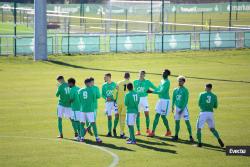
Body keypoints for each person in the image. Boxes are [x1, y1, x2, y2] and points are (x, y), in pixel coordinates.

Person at [196, 83, 224, 148]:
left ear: (207, 87)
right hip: (211, 113)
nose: (204, 88)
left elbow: (199, 103)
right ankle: (219, 139)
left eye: (205, 87)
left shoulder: (202, 94)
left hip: (203, 113)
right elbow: (215, 106)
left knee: (198, 129)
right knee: (212, 129)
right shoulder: (214, 96)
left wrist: (203, 107)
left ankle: (199, 143)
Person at [147, 69, 172, 137]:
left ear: (167, 74)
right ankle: (153, 132)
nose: (162, 74)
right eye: (162, 73)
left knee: (163, 116)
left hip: (165, 101)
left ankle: (168, 131)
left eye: (164, 73)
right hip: (160, 100)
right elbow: (158, 89)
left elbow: (162, 91)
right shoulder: (162, 80)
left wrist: (151, 92)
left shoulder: (167, 82)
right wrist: (149, 89)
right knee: (157, 115)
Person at [78, 78, 102, 143]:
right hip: (90, 109)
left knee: (82, 123)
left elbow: (79, 100)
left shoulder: (80, 90)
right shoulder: (92, 90)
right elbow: (94, 99)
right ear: (88, 83)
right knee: (93, 123)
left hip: (82, 109)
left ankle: (81, 137)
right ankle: (97, 138)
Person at [133, 70, 157, 135]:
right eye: (140, 74)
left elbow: (155, 88)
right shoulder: (135, 82)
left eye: (142, 74)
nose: (141, 75)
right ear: (138, 74)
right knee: (137, 115)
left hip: (144, 99)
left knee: (147, 114)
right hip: (137, 100)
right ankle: (138, 131)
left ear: (144, 75)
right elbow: (132, 91)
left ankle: (148, 129)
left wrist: (159, 91)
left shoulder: (147, 82)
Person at [172, 76, 194, 142]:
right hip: (177, 108)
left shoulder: (185, 90)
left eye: (181, 81)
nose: (179, 82)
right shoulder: (175, 90)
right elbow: (173, 98)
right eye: (178, 81)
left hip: (184, 108)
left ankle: (190, 136)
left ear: (184, 82)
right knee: (177, 122)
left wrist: (182, 109)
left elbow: (186, 100)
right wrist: (172, 106)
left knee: (187, 122)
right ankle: (176, 136)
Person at [115, 72, 131, 138]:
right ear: (129, 77)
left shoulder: (118, 83)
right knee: (123, 118)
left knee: (117, 116)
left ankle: (115, 130)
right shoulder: (130, 83)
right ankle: (121, 133)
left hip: (118, 102)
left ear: (124, 76)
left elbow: (115, 92)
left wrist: (114, 99)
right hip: (125, 103)